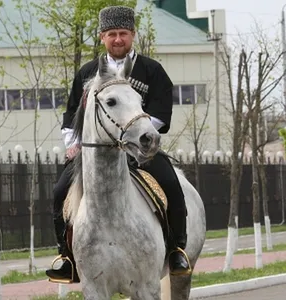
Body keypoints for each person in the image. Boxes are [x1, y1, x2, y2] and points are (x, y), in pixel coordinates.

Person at [46, 5, 190, 283]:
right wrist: (73, 143)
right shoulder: (88, 74)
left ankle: (176, 249)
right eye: (111, 34)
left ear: (133, 35)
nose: (118, 39)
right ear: (102, 37)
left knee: (171, 185)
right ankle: (66, 256)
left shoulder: (152, 70)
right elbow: (72, 115)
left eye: (123, 33)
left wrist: (136, 137)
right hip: (96, 153)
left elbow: (160, 113)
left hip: (140, 150)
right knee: (59, 191)